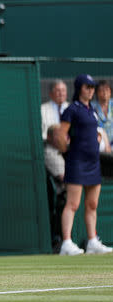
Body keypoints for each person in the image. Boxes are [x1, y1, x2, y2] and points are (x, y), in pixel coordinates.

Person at [54, 74, 113, 256]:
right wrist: (67, 153)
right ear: (80, 88)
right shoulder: (72, 109)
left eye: (92, 87)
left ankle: (92, 241)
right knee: (72, 204)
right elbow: (60, 135)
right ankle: (66, 243)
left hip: (93, 162)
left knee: (93, 204)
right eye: (87, 87)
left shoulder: (92, 110)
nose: (91, 90)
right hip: (77, 162)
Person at [40, 80, 69, 252]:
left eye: (63, 90)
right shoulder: (43, 110)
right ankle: (59, 238)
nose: (60, 93)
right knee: (63, 191)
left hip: (71, 154)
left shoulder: (71, 109)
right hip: (50, 154)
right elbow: (46, 136)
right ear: (51, 93)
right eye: (57, 90)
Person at [92, 80, 113, 147]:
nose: (104, 93)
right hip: (100, 143)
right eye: (101, 90)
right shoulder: (92, 107)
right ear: (97, 93)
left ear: (110, 92)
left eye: (107, 90)